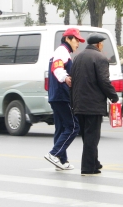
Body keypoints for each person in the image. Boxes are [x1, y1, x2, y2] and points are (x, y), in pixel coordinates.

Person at [71, 33, 119, 175]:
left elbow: (73, 81)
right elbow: (104, 81)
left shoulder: (78, 57)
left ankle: (94, 163)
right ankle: (87, 167)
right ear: (98, 44)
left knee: (87, 136)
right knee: (92, 136)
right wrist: (114, 97)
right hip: (93, 104)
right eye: (102, 43)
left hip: (79, 104)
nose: (102, 46)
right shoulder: (100, 58)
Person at [44, 28, 85, 170]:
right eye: (76, 40)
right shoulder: (62, 51)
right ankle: (53, 154)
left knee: (61, 128)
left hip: (55, 96)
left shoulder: (61, 52)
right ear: (68, 38)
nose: (78, 43)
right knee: (73, 126)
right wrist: (65, 77)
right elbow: (57, 68)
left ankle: (62, 161)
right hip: (62, 96)